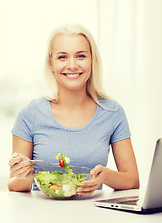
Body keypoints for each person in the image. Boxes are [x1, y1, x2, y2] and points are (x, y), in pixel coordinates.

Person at [8, 23, 139, 196]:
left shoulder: (112, 112)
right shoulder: (29, 114)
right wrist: (23, 174)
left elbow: (133, 180)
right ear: (51, 63)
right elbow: (15, 184)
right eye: (62, 57)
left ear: (92, 61)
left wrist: (106, 177)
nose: (72, 65)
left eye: (81, 56)